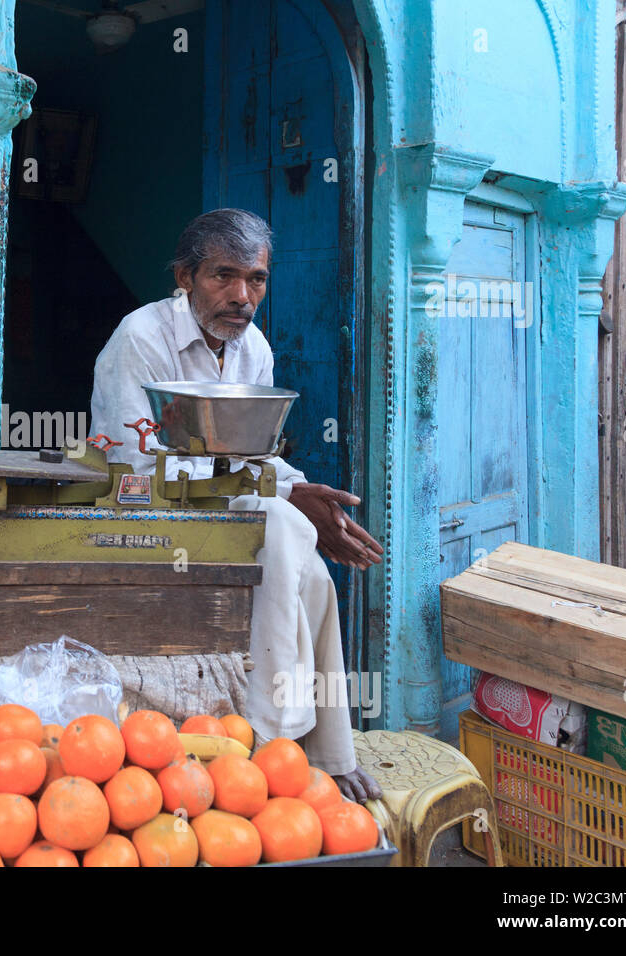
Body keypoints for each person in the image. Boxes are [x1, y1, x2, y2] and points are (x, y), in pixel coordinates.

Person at [89, 208, 385, 801]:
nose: (242, 296)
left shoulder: (253, 351)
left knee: (315, 571)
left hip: (221, 511)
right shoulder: (140, 338)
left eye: (256, 279)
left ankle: (328, 748)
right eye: (223, 276)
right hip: (140, 507)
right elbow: (143, 461)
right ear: (185, 277)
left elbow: (257, 457)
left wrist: (304, 493)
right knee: (278, 521)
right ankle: (271, 741)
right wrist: (285, 495)